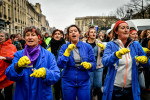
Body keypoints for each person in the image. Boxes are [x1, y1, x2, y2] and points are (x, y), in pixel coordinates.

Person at [5, 26, 60, 100]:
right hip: (22, 95)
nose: (30, 37)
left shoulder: (48, 55)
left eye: (33, 35)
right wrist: (17, 66)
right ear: (24, 38)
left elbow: (56, 75)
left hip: (42, 96)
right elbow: (9, 75)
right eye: (27, 35)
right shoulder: (18, 55)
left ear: (39, 38)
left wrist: (45, 73)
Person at [102, 20, 150, 100]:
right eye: (123, 28)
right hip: (115, 88)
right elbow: (105, 62)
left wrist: (145, 60)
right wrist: (115, 55)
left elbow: (147, 64)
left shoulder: (136, 44)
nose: (126, 30)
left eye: (127, 28)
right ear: (116, 31)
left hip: (131, 89)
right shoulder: (110, 44)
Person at [57, 25, 96, 100]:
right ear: (68, 35)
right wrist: (67, 52)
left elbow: (94, 65)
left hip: (84, 81)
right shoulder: (64, 47)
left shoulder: (87, 47)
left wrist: (89, 65)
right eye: (71, 32)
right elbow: (60, 64)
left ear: (79, 33)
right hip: (68, 81)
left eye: (75, 31)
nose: (73, 33)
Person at [85, 26, 105, 100]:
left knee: (98, 85)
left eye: (95, 32)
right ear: (88, 34)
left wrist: (103, 49)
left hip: (98, 66)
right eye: (91, 32)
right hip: (88, 67)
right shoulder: (84, 43)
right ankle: (89, 98)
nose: (93, 33)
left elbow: (103, 55)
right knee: (89, 86)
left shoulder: (99, 42)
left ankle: (95, 93)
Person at [47, 29, 66, 100]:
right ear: (53, 36)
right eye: (55, 34)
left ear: (61, 35)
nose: (57, 35)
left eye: (59, 34)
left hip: (64, 69)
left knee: (64, 89)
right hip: (53, 69)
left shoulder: (65, 45)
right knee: (56, 88)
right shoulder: (49, 45)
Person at [0, 30, 17, 100]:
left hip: (8, 74)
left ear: (6, 37)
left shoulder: (11, 46)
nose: (0, 37)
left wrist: (4, 58)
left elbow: (14, 59)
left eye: (2, 36)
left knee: (8, 94)